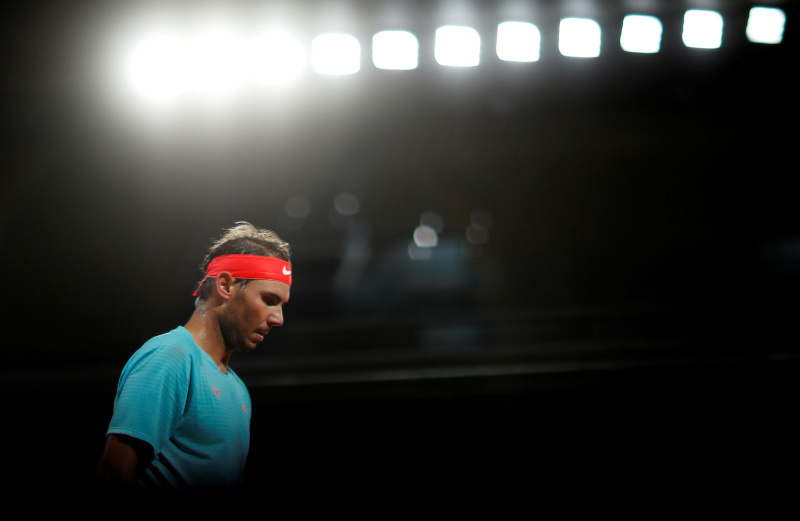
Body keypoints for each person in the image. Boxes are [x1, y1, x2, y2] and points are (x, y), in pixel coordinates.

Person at [95, 222, 292, 491]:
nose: (278, 319)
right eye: (269, 300)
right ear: (225, 285)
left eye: (282, 305)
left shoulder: (237, 389)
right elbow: (113, 473)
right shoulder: (170, 357)